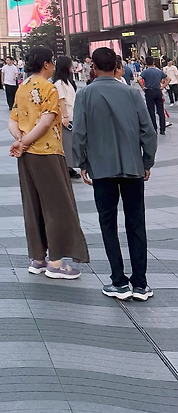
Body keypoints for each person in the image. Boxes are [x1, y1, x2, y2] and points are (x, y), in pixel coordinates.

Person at [73, 47, 157, 301]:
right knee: (136, 222)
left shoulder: (85, 94)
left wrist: (82, 163)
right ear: (117, 67)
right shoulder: (132, 93)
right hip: (132, 167)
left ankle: (118, 281)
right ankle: (140, 283)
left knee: (108, 222)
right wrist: (147, 161)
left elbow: (79, 133)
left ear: (93, 67)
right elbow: (148, 131)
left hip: (101, 168)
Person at [9, 46, 89, 280]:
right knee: (57, 206)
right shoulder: (49, 88)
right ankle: (56, 263)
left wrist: (21, 141)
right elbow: (45, 123)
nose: (53, 65)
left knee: (33, 204)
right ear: (46, 64)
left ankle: (38, 258)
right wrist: (25, 142)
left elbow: (12, 121)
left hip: (27, 156)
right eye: (51, 61)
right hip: (48, 153)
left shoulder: (23, 87)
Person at [52, 56, 80, 179]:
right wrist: (65, 116)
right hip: (66, 116)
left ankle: (70, 166)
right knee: (67, 143)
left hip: (72, 114)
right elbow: (61, 100)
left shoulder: (68, 82)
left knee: (70, 143)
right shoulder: (59, 83)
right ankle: (67, 167)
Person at [139, 56, 169, 135]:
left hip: (149, 91)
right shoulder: (159, 71)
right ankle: (162, 129)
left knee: (151, 111)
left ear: (146, 63)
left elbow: (138, 79)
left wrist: (143, 87)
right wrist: (163, 86)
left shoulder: (145, 72)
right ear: (153, 62)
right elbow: (168, 79)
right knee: (160, 110)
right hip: (158, 91)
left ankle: (154, 128)